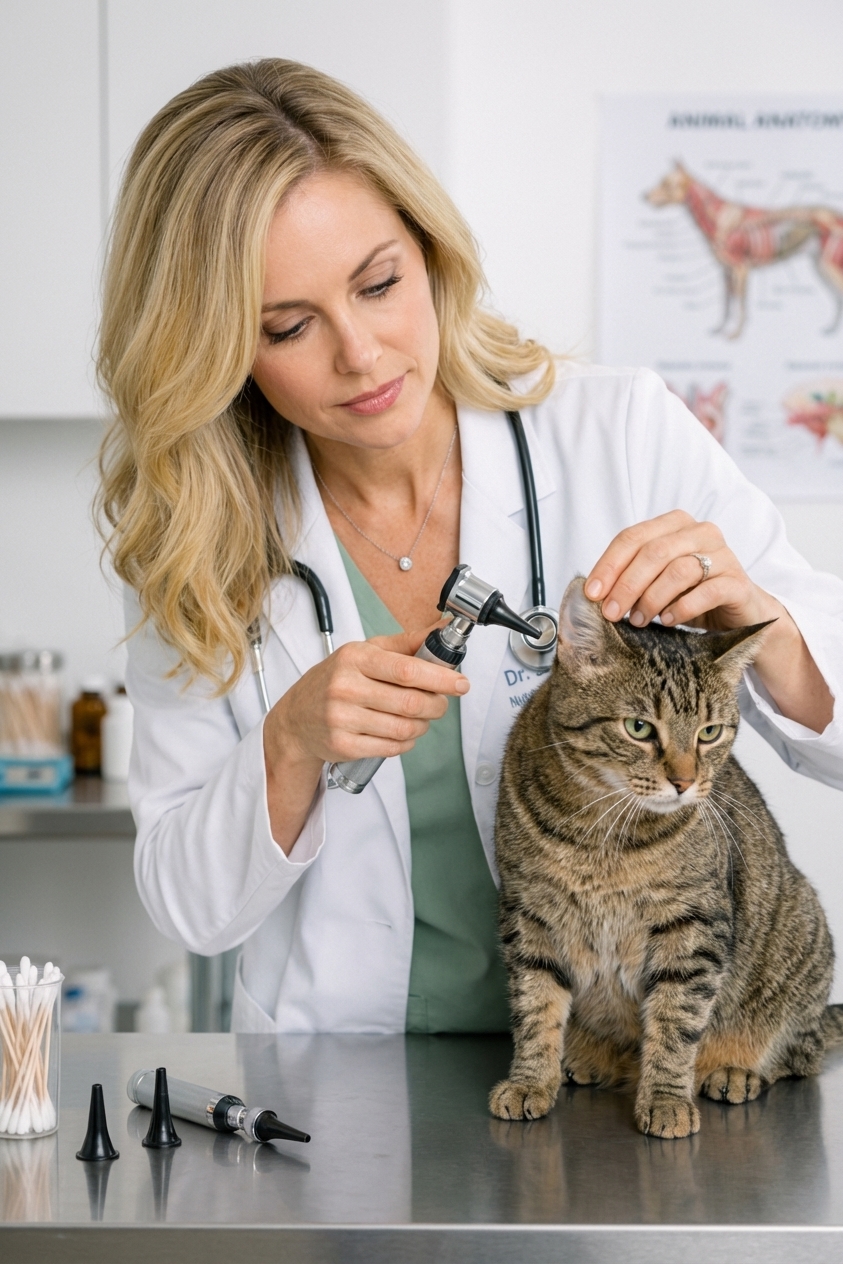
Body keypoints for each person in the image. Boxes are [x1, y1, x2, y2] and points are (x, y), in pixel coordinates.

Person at [98, 59, 843, 1034]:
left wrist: (775, 634)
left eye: (379, 283)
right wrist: (289, 743)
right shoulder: (193, 541)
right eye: (288, 326)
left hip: (618, 1075)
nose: (360, 354)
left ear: (430, 250)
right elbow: (188, 907)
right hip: (352, 1086)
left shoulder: (619, 434)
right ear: (216, 346)